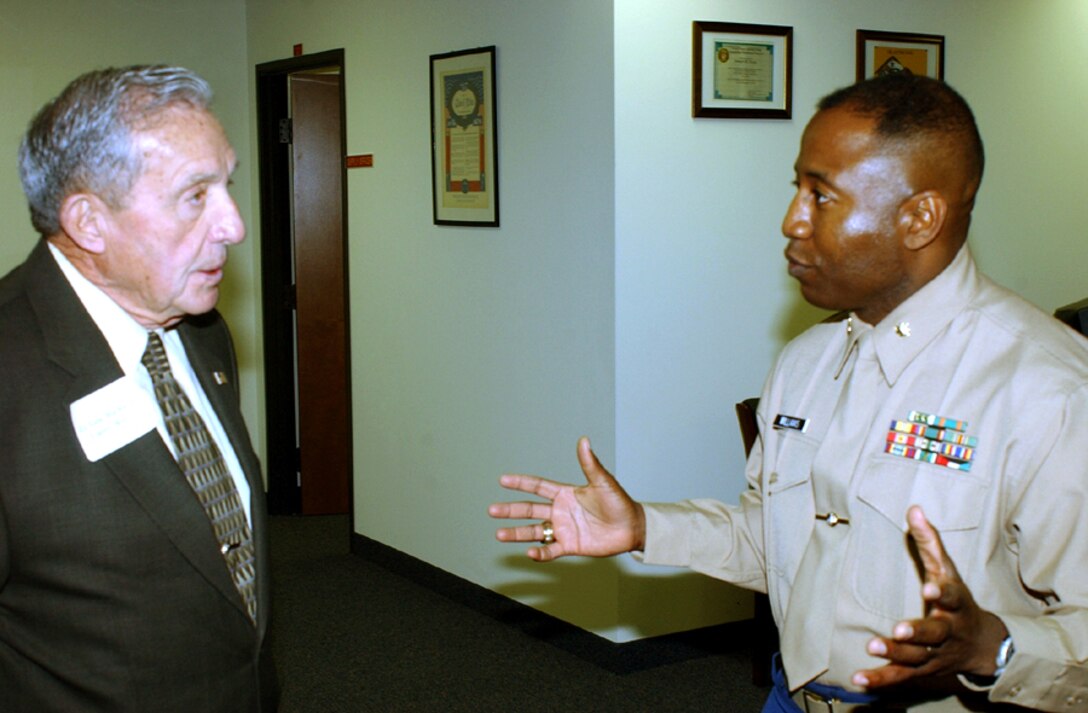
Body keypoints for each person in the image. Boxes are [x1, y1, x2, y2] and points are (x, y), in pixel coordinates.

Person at [490, 73, 1088, 712]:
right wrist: (642, 526)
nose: (791, 222)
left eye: (820, 196)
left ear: (919, 217)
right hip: (793, 698)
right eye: (796, 188)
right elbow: (774, 543)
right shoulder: (807, 361)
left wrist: (992, 649)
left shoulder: (1049, 389)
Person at [0, 66, 277, 711]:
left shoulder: (201, 330)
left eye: (226, 185)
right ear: (90, 224)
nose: (234, 225)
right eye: (194, 195)